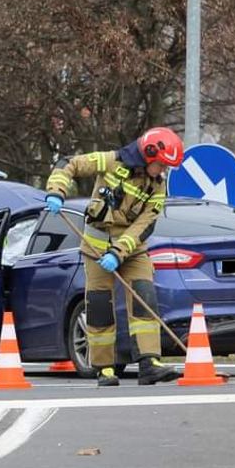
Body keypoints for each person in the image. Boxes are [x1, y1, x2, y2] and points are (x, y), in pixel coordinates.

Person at [44, 127, 183, 386]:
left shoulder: (158, 186)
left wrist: (119, 252)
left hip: (131, 249)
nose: (163, 171)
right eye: (162, 165)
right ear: (148, 155)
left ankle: (149, 363)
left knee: (145, 297)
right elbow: (69, 164)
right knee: (99, 305)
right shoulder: (110, 161)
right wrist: (57, 191)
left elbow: (145, 224)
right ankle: (105, 368)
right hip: (97, 246)